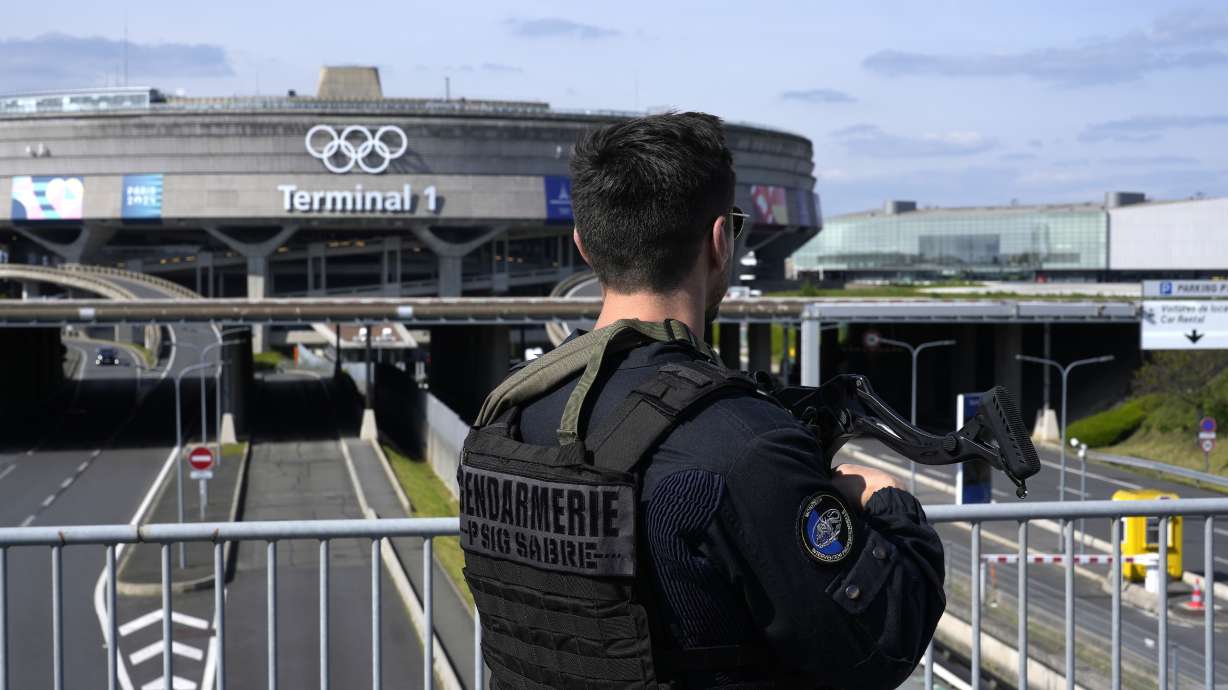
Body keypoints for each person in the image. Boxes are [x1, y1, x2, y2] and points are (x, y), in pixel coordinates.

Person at [459, 112, 945, 689]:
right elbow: (880, 645)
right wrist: (886, 500)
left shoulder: (505, 417)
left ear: (584, 247)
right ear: (720, 242)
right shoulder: (743, 444)